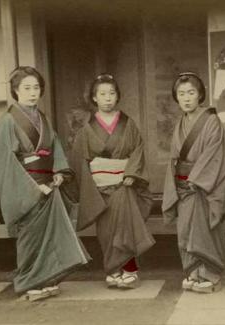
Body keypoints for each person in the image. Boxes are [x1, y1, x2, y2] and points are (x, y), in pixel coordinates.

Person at [0, 66, 90, 301]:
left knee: (49, 235)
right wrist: (32, 187)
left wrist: (58, 172)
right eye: (26, 88)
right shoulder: (8, 122)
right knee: (30, 237)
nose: (32, 92)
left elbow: (55, 149)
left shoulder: (43, 120)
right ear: (15, 91)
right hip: (25, 187)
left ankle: (46, 279)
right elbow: (1, 160)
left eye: (36, 87)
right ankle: (28, 281)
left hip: (48, 184)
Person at [68, 74, 154, 289]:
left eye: (112, 93)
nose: (108, 98)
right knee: (106, 231)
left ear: (118, 96)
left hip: (124, 184)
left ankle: (131, 269)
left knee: (125, 226)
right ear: (94, 98)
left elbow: (138, 151)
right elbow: (80, 160)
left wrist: (131, 174)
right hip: (98, 188)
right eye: (102, 94)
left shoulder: (128, 124)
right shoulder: (87, 128)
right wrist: (91, 186)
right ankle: (113, 270)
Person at [162, 72, 225, 293]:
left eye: (191, 93)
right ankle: (193, 271)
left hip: (204, 185)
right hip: (183, 186)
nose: (186, 98)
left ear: (200, 94)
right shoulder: (180, 123)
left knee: (203, 229)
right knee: (186, 229)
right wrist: (176, 182)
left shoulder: (212, 121)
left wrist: (197, 179)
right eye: (181, 93)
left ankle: (210, 274)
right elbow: (175, 158)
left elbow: (215, 154)